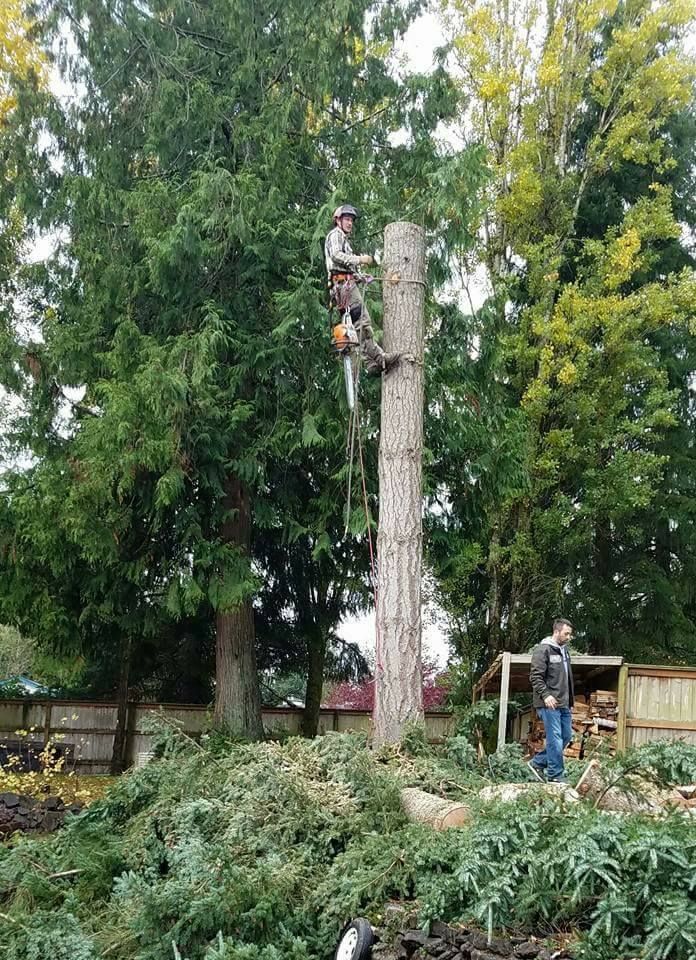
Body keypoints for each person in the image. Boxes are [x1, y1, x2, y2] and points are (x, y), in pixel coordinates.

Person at [324, 204, 399, 375]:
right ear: (338, 220)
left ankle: (371, 362)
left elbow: (346, 267)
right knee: (363, 322)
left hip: (345, 285)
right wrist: (360, 259)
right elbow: (336, 255)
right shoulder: (336, 235)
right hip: (345, 287)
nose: (350, 223)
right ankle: (380, 358)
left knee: (358, 325)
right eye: (347, 220)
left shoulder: (343, 239)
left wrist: (361, 276)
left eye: (351, 220)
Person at [528, 618, 575, 782]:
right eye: (566, 633)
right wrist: (546, 695)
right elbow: (535, 676)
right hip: (549, 703)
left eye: (570, 634)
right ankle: (555, 775)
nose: (569, 637)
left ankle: (537, 762)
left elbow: (566, 679)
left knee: (567, 736)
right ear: (556, 631)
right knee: (555, 738)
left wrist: (570, 702)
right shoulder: (543, 650)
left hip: (564, 704)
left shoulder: (564, 651)